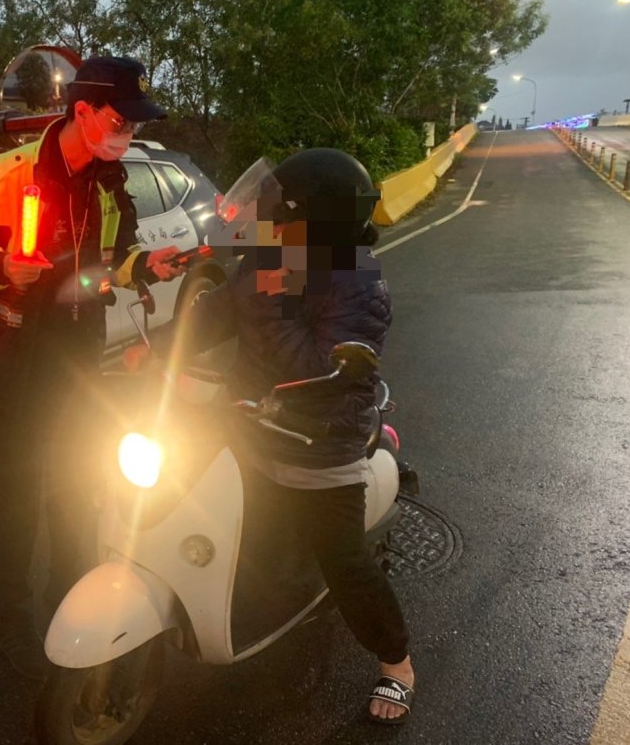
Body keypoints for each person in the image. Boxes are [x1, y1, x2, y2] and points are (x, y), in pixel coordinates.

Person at [125, 148, 415, 724]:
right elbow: (216, 314)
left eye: (279, 207)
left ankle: (397, 663)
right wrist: (155, 349)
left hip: (319, 437)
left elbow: (317, 368)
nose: (265, 213)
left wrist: (271, 296)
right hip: (249, 420)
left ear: (316, 222)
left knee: (344, 563)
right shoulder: (271, 256)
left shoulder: (358, 284)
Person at [0, 56, 184, 681]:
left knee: (79, 482)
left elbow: (117, 256)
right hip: (16, 352)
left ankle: (71, 606)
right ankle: (14, 621)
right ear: (83, 111)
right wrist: (0, 266)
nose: (128, 134)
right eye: (120, 122)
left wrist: (145, 265)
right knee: (23, 492)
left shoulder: (109, 178)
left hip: (76, 350)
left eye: (134, 125)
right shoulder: (11, 174)